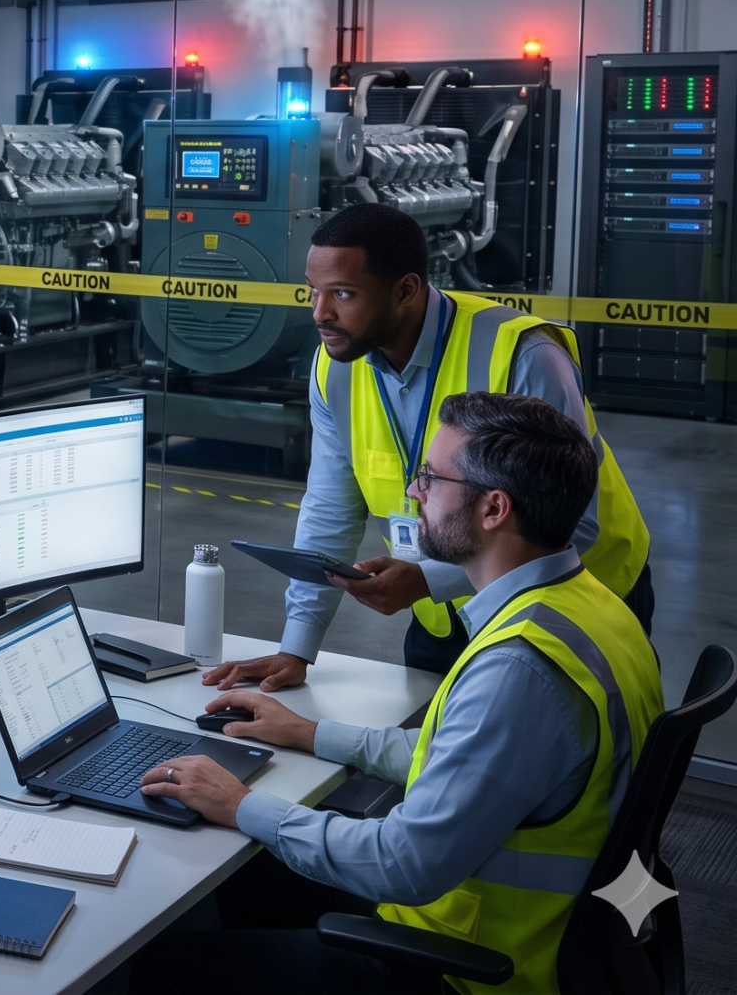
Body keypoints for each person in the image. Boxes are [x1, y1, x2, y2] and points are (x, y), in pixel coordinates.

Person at [132, 391, 662, 995]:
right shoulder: (588, 608)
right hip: (546, 924)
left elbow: (406, 865)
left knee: (160, 966)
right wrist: (308, 733)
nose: (414, 493)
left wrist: (239, 804)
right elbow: (473, 759)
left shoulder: (521, 669)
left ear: (494, 508)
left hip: (475, 964)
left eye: (431, 478)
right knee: (250, 874)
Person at [204, 203, 650, 686]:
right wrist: (297, 646)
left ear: (406, 290)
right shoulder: (334, 367)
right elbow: (330, 508)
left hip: (565, 604)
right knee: (428, 748)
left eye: (343, 294)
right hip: (444, 610)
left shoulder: (524, 355)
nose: (320, 313)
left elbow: (571, 526)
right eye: (313, 292)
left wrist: (425, 578)